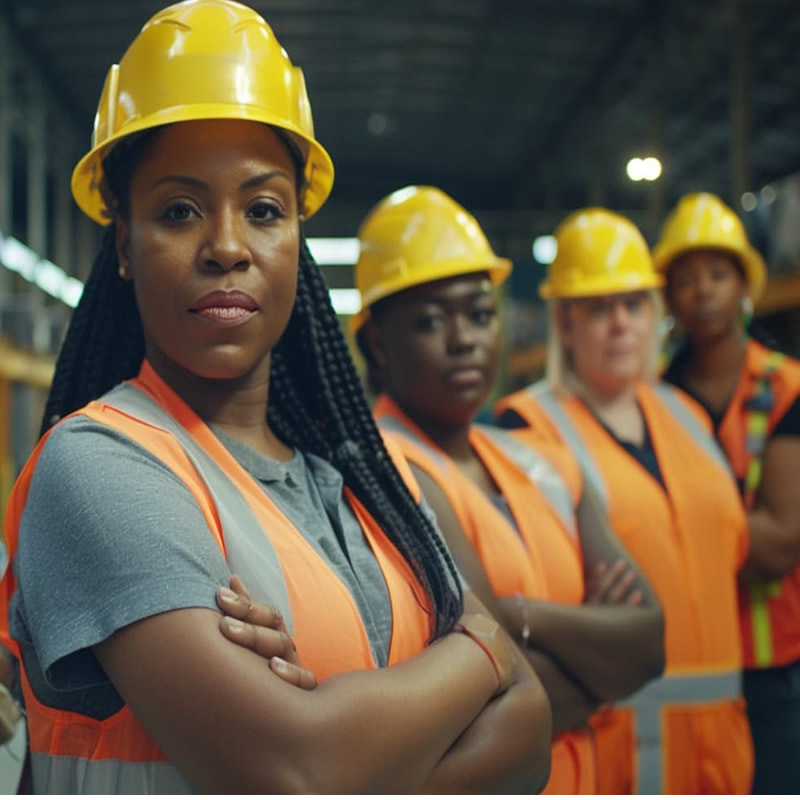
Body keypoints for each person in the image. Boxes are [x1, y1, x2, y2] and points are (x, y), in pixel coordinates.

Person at [0, 2, 552, 793]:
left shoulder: (366, 484)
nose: (227, 246)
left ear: (297, 234)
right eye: (179, 211)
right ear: (124, 243)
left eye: (263, 210)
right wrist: (486, 650)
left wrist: (348, 738)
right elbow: (296, 765)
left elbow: (530, 739)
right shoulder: (99, 470)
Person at [352, 186, 664, 794]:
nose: (463, 338)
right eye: (429, 321)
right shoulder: (384, 471)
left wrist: (516, 615)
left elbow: (649, 643)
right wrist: (599, 659)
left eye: (480, 312)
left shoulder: (539, 458)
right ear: (378, 344)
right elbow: (492, 701)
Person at [495, 207, 754, 794]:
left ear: (654, 314)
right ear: (564, 323)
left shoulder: (686, 417)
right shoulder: (529, 429)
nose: (619, 324)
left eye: (633, 305)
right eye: (597, 308)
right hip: (615, 745)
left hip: (722, 742)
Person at [655, 191, 800, 794]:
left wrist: (689, 527)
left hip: (777, 670)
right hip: (686, 664)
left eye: (718, 274)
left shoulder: (787, 387)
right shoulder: (654, 400)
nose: (703, 291)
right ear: (668, 299)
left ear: (745, 284)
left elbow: (781, 547)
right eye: (685, 279)